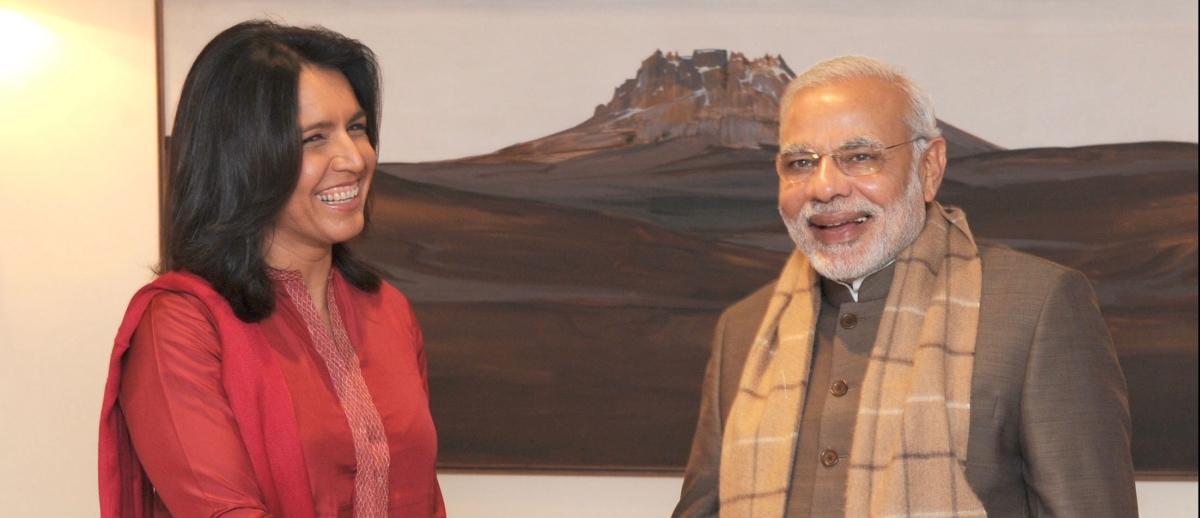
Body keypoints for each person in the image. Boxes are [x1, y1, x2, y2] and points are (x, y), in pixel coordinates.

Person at [673, 56, 1137, 517]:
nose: (825, 187)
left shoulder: (1036, 307)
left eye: (859, 157)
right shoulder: (745, 330)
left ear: (929, 167)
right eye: (800, 162)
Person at [98, 21, 445, 517]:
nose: (353, 158)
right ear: (242, 158)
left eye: (356, 128)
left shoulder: (388, 312)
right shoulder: (182, 327)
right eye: (313, 139)